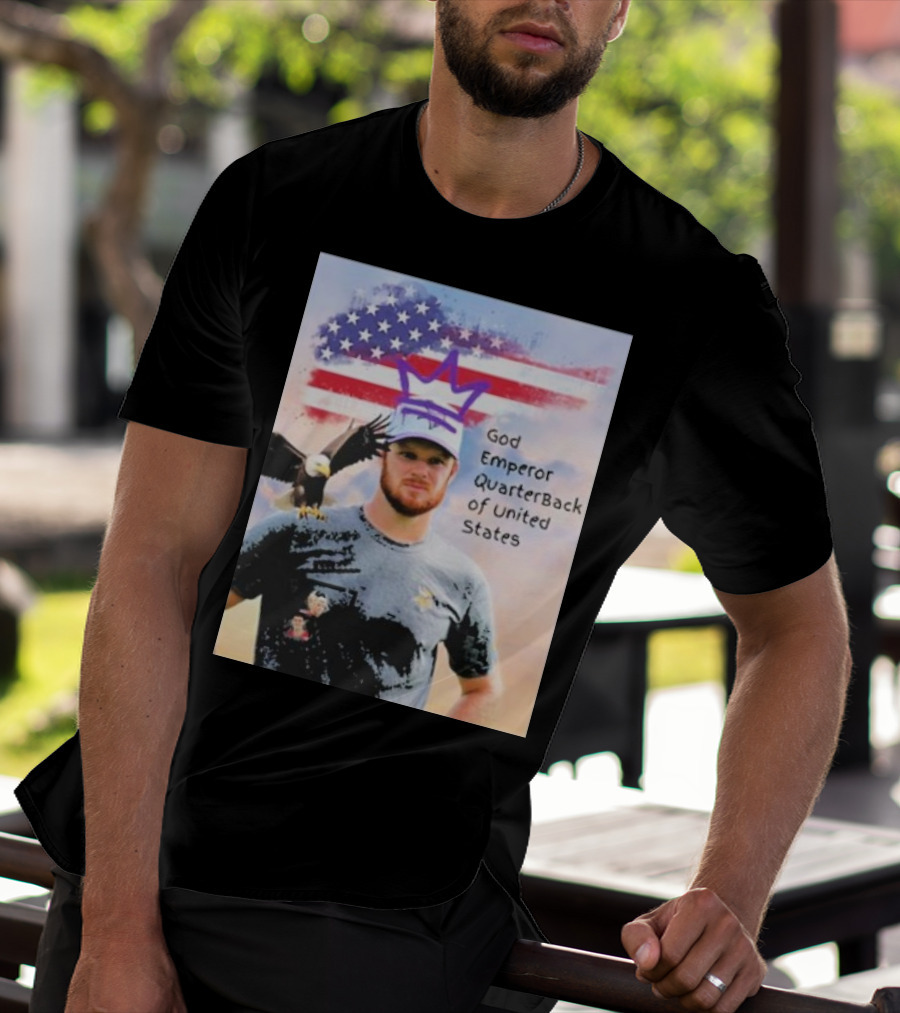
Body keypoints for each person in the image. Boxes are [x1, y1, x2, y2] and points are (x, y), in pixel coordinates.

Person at [17, 1, 851, 1012]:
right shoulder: (273, 203)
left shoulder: (691, 301)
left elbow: (798, 628)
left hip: (386, 929)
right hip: (135, 886)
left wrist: (730, 891)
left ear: (622, 10)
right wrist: (116, 924)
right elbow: (149, 561)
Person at [224, 414, 501, 721]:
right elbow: (199, 603)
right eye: (408, 454)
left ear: (452, 471)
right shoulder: (291, 531)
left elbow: (481, 689)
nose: (420, 471)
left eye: (436, 461)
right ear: (384, 456)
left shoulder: (463, 580)